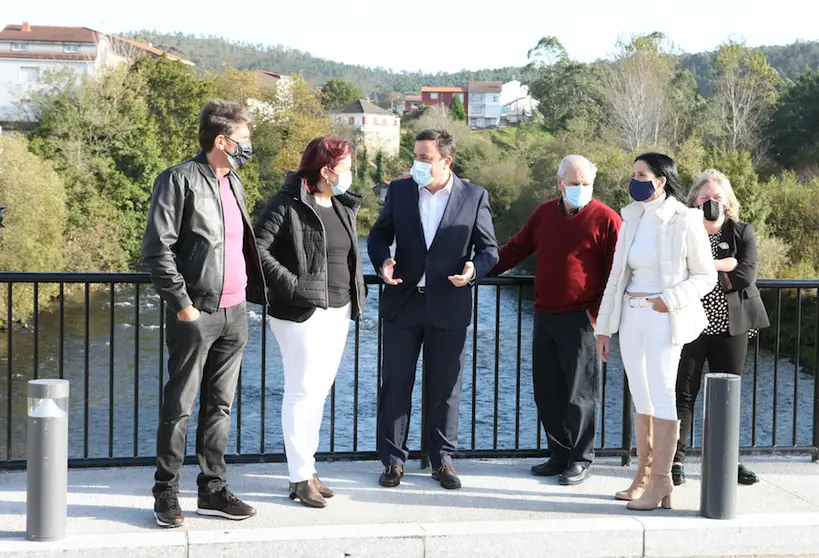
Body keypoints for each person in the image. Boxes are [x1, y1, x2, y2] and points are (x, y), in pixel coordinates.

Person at [142, 100, 266, 528]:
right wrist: (183, 306)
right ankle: (166, 494)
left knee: (221, 407)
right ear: (222, 140)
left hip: (235, 312)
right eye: (244, 139)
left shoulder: (234, 181)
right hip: (197, 314)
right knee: (179, 406)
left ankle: (212, 490)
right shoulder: (178, 180)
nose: (248, 146)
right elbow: (157, 250)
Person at [367, 129, 499, 490]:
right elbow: (379, 236)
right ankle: (393, 461)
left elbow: (489, 250)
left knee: (446, 387)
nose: (417, 164)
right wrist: (383, 261)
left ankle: (443, 461)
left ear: (446, 161)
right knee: (395, 384)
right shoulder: (400, 190)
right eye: (415, 157)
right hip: (403, 301)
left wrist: (474, 270)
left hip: (449, 304)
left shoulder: (474, 196)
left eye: (425, 158)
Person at [594, 153, 716, 511]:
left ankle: (662, 479)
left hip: (664, 315)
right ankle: (644, 475)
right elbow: (617, 277)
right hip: (631, 316)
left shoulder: (685, 219)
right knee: (640, 394)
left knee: (663, 391)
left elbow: (705, 276)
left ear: (661, 179)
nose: (635, 180)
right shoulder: (631, 217)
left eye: (642, 174)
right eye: (633, 173)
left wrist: (670, 299)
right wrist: (604, 328)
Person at [490, 155, 621, 485]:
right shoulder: (544, 213)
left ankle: (580, 458)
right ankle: (559, 454)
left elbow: (616, 272)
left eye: (586, 184)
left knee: (580, 394)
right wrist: (480, 268)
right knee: (547, 390)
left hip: (582, 319)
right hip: (545, 313)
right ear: (560, 183)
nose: (580, 189)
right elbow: (517, 248)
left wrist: (599, 315)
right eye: (574, 183)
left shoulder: (607, 219)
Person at [253, 137, 366, 508]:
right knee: (301, 393)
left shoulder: (340, 204)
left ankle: (308, 469)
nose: (350, 173)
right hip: (300, 313)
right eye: (345, 166)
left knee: (316, 395)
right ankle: (299, 477)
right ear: (326, 170)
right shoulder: (286, 204)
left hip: (338, 311)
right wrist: (293, 285)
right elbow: (257, 249)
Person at [673, 169, 769, 486]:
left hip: (731, 326)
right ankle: (676, 460)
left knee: (727, 394)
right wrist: (721, 264)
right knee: (683, 395)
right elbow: (674, 273)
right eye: (705, 197)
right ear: (693, 201)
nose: (710, 202)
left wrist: (705, 268)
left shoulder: (742, 232)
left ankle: (729, 460)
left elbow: (745, 275)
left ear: (727, 201)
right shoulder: (682, 231)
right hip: (691, 325)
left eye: (716, 197)